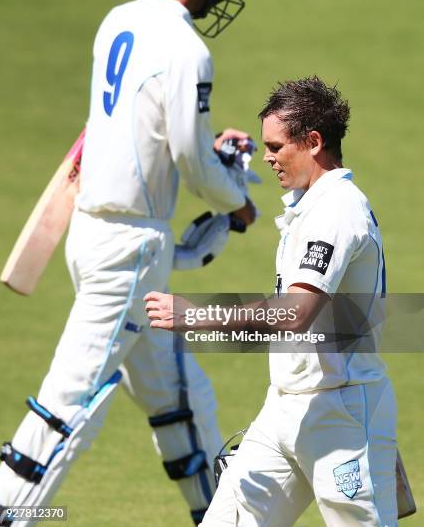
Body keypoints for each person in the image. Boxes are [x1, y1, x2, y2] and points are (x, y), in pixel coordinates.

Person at [0, 0, 256, 526]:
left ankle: (220, 516)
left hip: (92, 231)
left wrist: (208, 156)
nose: (222, 0)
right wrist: (235, 199)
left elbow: (141, 132)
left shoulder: (116, 20)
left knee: (179, 400)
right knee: (71, 405)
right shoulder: (188, 49)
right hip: (131, 250)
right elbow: (192, 160)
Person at [145, 76, 398, 526]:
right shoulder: (309, 204)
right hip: (284, 408)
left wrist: (197, 316)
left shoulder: (337, 210)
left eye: (277, 146)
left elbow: (296, 312)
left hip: (342, 413)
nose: (267, 157)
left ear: (313, 142)